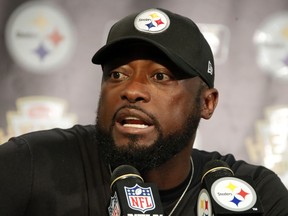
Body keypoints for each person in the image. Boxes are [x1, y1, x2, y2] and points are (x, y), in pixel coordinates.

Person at [0, 8, 287, 216]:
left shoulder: (250, 191)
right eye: (117, 74)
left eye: (160, 77)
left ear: (207, 103)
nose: (132, 90)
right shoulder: (32, 164)